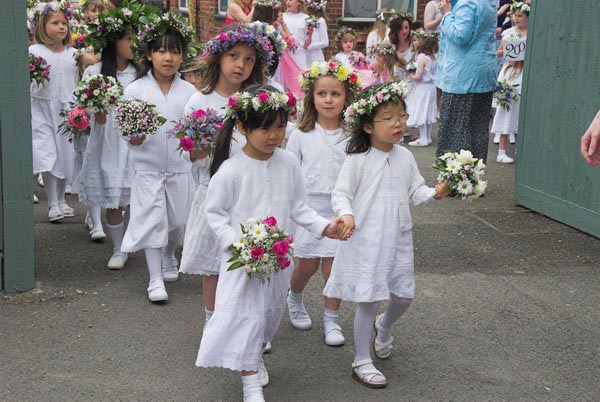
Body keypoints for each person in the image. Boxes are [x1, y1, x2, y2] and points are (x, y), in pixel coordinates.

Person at [195, 85, 345, 402]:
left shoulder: (288, 163)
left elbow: (300, 207)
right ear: (242, 127)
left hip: (278, 260)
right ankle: (250, 384)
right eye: (264, 127)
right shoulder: (230, 169)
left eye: (279, 125)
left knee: (269, 315)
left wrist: (324, 227)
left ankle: (255, 354)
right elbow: (215, 212)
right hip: (241, 261)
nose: (274, 135)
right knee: (245, 314)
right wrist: (236, 244)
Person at [324, 82, 450, 388]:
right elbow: (341, 193)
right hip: (367, 239)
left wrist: (435, 192)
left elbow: (415, 190)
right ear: (368, 126)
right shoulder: (358, 159)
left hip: (397, 237)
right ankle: (362, 360)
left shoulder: (405, 156)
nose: (398, 123)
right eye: (389, 117)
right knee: (368, 299)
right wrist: (348, 214)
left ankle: (385, 325)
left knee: (404, 295)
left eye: (401, 116)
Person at [180, 23, 275, 325]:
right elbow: (190, 152)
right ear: (218, 58)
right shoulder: (200, 101)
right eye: (234, 55)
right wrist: (195, 149)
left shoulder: (257, 101)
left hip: (251, 190)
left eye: (249, 59)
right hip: (215, 192)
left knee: (250, 260)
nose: (241, 65)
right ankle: (213, 320)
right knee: (214, 264)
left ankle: (247, 320)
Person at [120, 13, 198, 302]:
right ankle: (155, 280)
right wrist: (133, 137)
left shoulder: (190, 92)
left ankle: (169, 254)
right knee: (152, 222)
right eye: (161, 50)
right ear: (150, 54)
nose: (168, 58)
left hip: (179, 169)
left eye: (175, 51)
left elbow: (196, 128)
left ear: (182, 57)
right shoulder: (135, 90)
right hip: (148, 168)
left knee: (178, 223)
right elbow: (125, 129)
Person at [286, 61, 360, 346]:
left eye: (335, 94)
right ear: (311, 97)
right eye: (322, 94)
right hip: (308, 209)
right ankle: (294, 297)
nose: (328, 100)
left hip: (340, 208)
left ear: (346, 97)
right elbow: (291, 171)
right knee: (307, 265)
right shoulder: (300, 134)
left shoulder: (353, 133)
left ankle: (331, 319)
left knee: (333, 268)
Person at [76, 6, 149, 267]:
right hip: (107, 141)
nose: (133, 44)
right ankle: (118, 248)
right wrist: (94, 112)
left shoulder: (141, 74)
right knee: (113, 198)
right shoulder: (95, 73)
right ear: (113, 42)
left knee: (134, 197)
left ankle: (129, 241)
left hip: (134, 141)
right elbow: (82, 104)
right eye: (128, 38)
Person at [30, 1, 78, 223]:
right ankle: (52, 203)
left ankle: (62, 199)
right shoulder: (34, 52)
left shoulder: (74, 54)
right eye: (55, 23)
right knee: (47, 153)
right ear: (43, 25)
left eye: (64, 23)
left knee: (65, 155)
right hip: (41, 107)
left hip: (66, 111)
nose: (61, 27)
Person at [436, 0, 496, 163]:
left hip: (463, 76)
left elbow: (460, 35)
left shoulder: (467, 3)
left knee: (454, 131)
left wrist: (447, 14)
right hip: (483, 72)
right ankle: (472, 181)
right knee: (477, 131)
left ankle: (453, 182)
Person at [406, 30, 439, 147]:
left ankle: (423, 138)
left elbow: (419, 77)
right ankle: (428, 137)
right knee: (428, 111)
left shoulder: (421, 58)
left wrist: (411, 75)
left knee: (421, 110)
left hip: (422, 88)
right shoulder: (433, 57)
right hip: (432, 88)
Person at [491, 59, 523, 164]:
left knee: (519, 126)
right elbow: (500, 85)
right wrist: (501, 97)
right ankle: (501, 153)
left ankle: (519, 152)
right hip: (508, 103)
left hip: (520, 103)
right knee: (505, 125)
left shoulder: (524, 69)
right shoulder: (507, 68)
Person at [282, 0, 309, 69]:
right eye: (287, 0)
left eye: (291, 0)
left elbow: (306, 43)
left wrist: (310, 34)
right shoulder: (282, 17)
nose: (288, 2)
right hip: (285, 55)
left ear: (299, 2)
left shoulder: (306, 18)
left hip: (299, 55)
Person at [302, 0, 329, 66]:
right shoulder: (304, 19)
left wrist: (310, 47)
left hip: (315, 56)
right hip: (304, 54)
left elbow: (325, 42)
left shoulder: (320, 21)